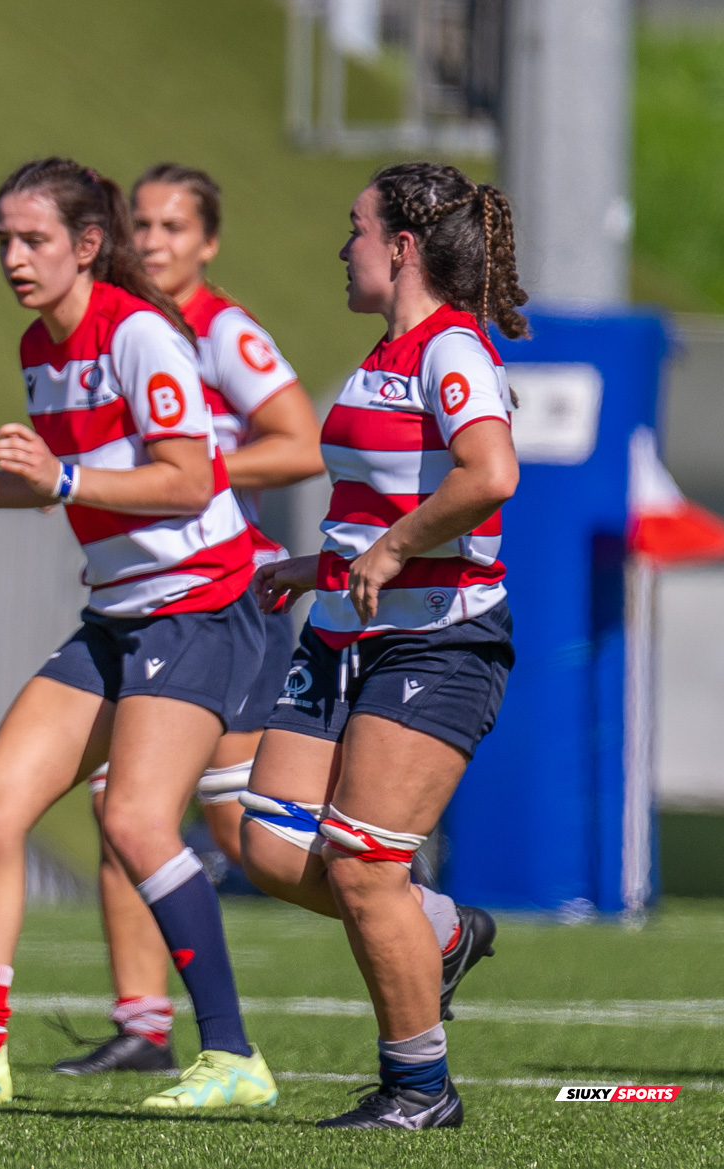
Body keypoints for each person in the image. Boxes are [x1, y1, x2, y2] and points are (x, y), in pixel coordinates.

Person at [0, 157, 276, 1110]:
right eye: (3, 241)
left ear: (88, 245)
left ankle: (233, 1055)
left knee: (139, 821)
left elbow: (189, 478)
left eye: (33, 240)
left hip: (199, 606)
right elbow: (66, 480)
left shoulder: (138, 335)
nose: (13, 258)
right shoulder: (39, 344)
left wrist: (58, 478)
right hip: (121, 613)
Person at [244, 162, 525, 1130]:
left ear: (402, 247)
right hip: (343, 629)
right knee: (270, 842)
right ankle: (439, 929)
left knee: (364, 868)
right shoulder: (385, 351)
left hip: (437, 643)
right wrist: (316, 566)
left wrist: (393, 549)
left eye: (355, 229)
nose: (343, 246)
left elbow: (489, 474)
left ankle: (419, 1089)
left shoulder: (453, 350)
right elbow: (383, 495)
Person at [54, 163, 324, 1076]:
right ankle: (144, 1022)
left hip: (228, 594)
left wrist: (186, 469)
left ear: (208, 243)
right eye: (143, 224)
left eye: (174, 227)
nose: (155, 240)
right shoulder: (117, 330)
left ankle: (418, 917)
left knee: (246, 833)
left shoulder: (221, 331)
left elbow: (298, 444)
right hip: (152, 599)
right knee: (124, 807)